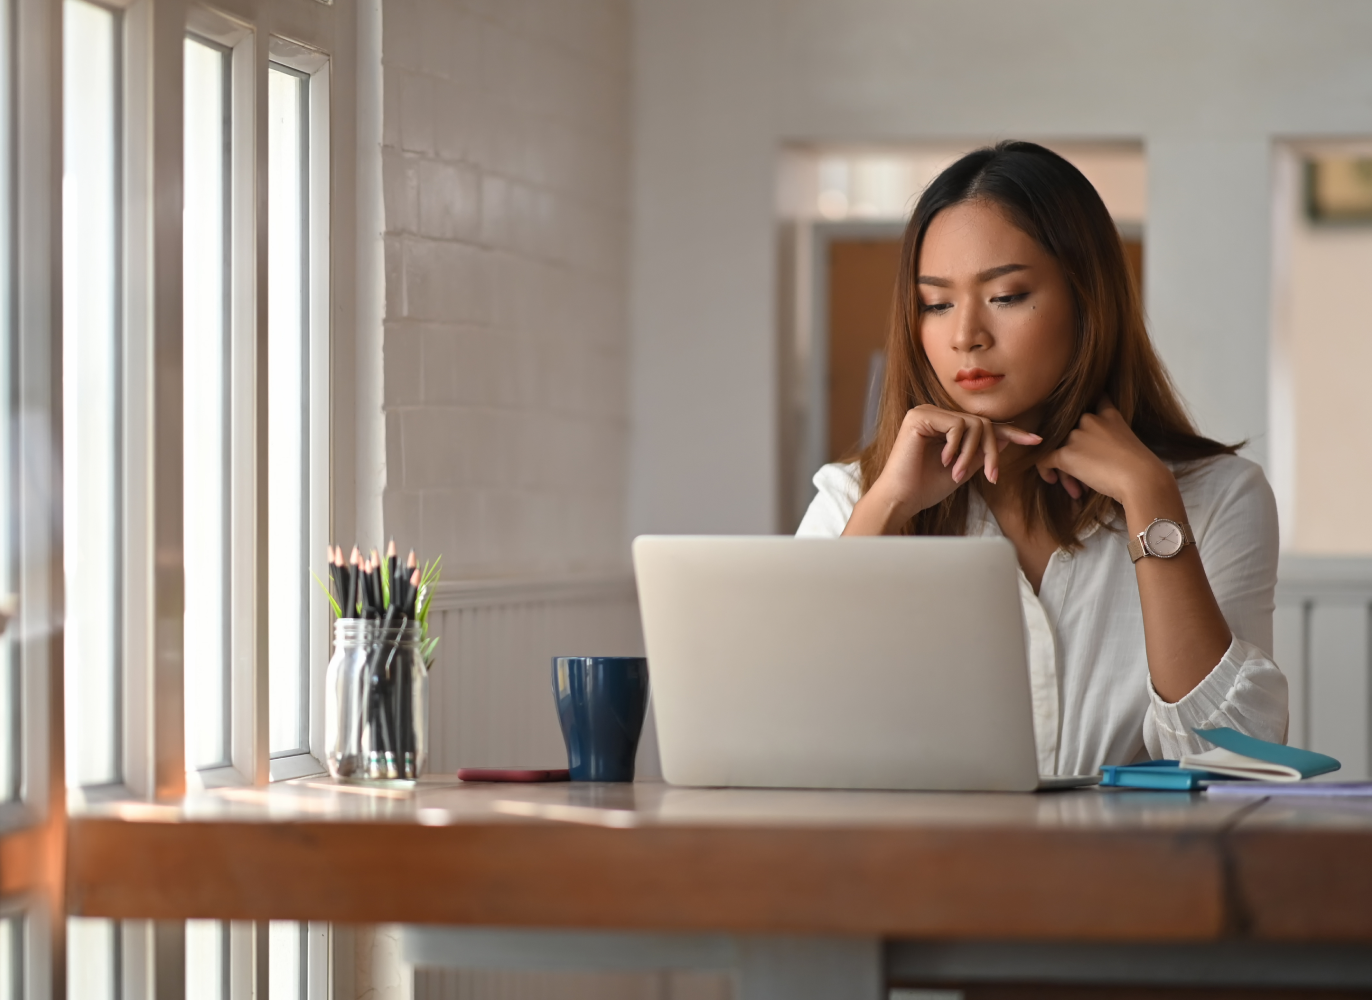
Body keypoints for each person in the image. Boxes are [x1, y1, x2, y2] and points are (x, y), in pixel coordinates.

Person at [797, 141, 1287, 776]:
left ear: (1088, 302)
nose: (965, 334)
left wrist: (1149, 497)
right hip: (916, 870)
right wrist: (889, 505)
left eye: (1005, 295)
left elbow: (1237, 758)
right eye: (936, 303)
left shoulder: (1218, 496)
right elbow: (799, 722)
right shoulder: (853, 497)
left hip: (1133, 874)